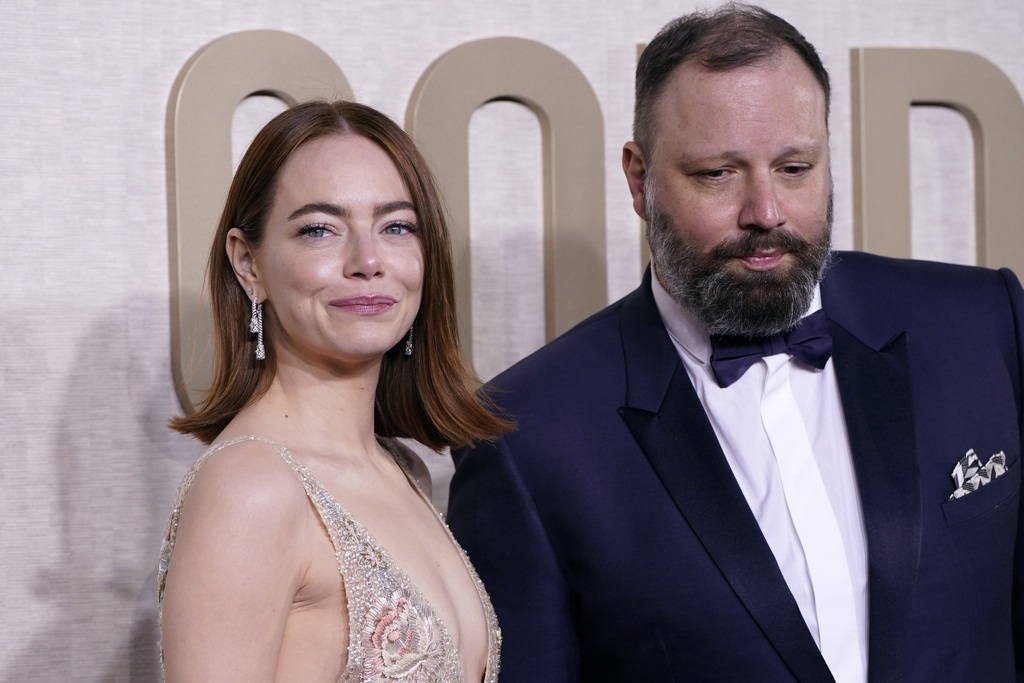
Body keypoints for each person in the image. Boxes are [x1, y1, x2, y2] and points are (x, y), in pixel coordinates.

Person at [447, 4, 1024, 682]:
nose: (766, 212)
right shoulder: (525, 438)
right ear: (639, 179)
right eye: (718, 173)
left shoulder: (984, 325)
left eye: (794, 167)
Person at [158, 100, 510, 682]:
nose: (368, 260)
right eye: (320, 229)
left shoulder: (404, 470)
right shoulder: (250, 489)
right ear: (250, 264)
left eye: (397, 226)